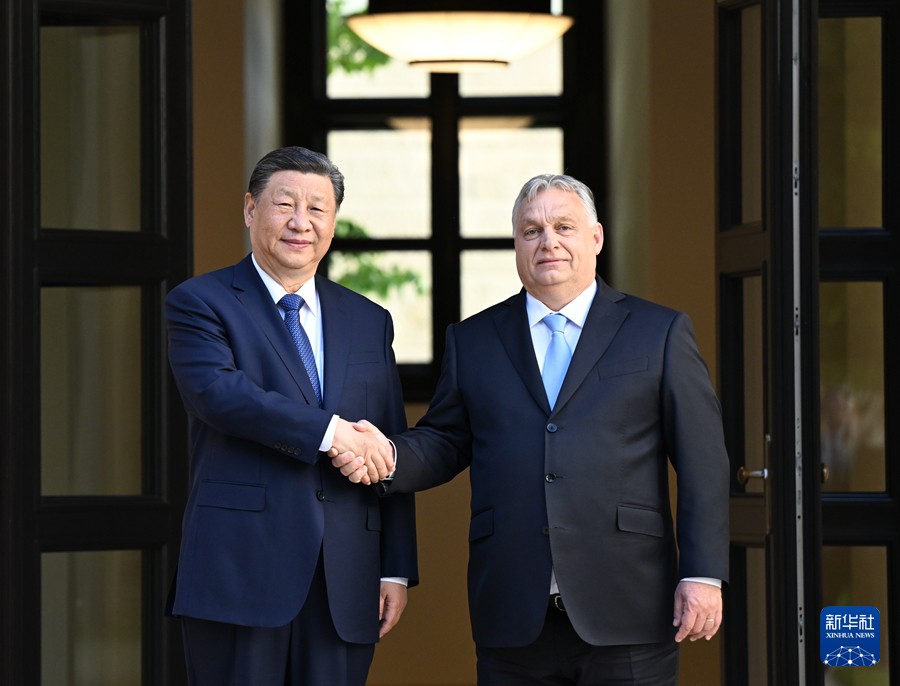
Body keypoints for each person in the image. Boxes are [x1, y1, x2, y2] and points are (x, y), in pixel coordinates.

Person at [333, 174, 729, 685]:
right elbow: (445, 441)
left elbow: (702, 461)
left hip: (629, 603)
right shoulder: (473, 340)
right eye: (532, 230)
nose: (549, 242)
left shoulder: (659, 332)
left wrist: (701, 573)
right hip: (512, 610)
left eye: (564, 227)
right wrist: (385, 454)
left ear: (596, 238)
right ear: (517, 244)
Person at [165, 146, 417, 686]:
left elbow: (386, 442)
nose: (301, 222)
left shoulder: (369, 319)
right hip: (239, 569)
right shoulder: (200, 301)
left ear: (333, 221)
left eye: (317, 209)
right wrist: (330, 433)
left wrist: (396, 566)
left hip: (347, 576)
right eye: (285, 204)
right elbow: (219, 394)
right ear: (250, 209)